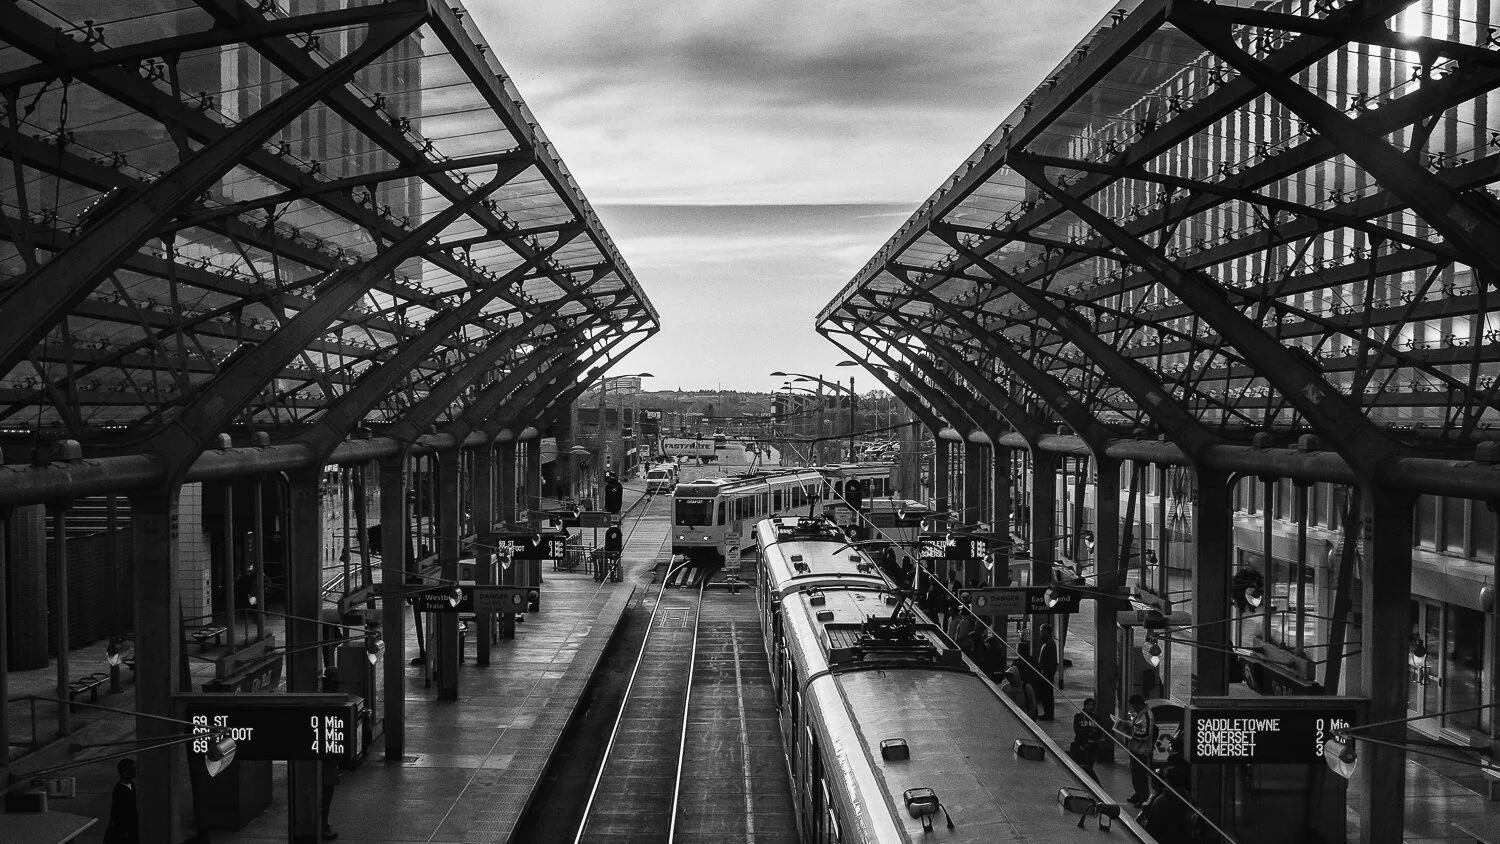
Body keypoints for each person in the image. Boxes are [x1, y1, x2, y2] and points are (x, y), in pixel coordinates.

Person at [1116, 693, 1156, 806]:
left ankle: (1143, 796)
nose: (1133, 709)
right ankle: (1138, 792)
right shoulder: (1139, 715)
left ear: (1139, 705)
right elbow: (1135, 726)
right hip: (1134, 748)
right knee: (1135, 773)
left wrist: (1132, 734)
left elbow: (1146, 734)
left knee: (1140, 774)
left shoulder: (1147, 716)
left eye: (1134, 706)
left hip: (1142, 750)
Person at [102, 758, 138, 844]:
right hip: (124, 831)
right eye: (133, 769)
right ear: (124, 772)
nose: (135, 771)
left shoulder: (132, 785)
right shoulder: (120, 790)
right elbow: (118, 813)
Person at [1070, 697, 1106, 781]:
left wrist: (1088, 731)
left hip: (1093, 746)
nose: (1091, 707)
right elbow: (1078, 730)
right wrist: (1090, 731)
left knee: (1090, 765)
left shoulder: (1097, 718)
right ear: (1085, 706)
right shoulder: (1078, 716)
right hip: (1081, 744)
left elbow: (1099, 732)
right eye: (1089, 705)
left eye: (1093, 705)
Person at [1035, 623, 1059, 720]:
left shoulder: (1050, 644)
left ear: (1046, 632)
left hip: (1047, 674)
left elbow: (1051, 662)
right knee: (1046, 694)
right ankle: (1047, 713)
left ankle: (1049, 714)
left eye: (1041, 631)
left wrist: (1046, 673)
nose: (1040, 633)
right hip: (1045, 673)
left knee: (1047, 695)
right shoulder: (1047, 643)